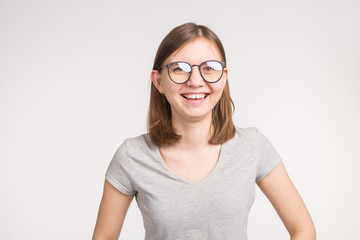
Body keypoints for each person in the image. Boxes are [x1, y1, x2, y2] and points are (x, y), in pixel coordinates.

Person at [92, 22, 316, 240]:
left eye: (209, 68)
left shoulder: (253, 146)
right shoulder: (132, 156)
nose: (196, 81)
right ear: (158, 81)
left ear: (224, 76)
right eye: (179, 69)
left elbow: (303, 229)